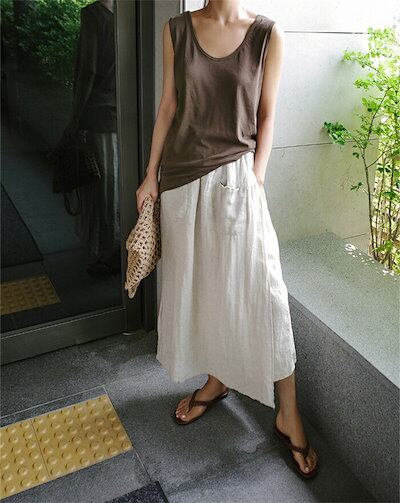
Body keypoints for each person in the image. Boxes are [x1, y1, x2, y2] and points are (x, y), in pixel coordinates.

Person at [136, 0, 319, 478]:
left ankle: (288, 412)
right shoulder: (176, 30)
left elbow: (267, 115)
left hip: (238, 182)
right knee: (206, 289)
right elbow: (169, 105)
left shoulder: (266, 35)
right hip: (182, 184)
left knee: (267, 293)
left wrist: (255, 181)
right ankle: (217, 381)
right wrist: (150, 175)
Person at [61, 0, 120, 277]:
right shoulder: (126, 14)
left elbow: (88, 70)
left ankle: (107, 253)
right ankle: (115, 249)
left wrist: (75, 117)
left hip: (98, 115)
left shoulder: (94, 15)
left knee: (102, 189)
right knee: (115, 186)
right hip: (123, 115)